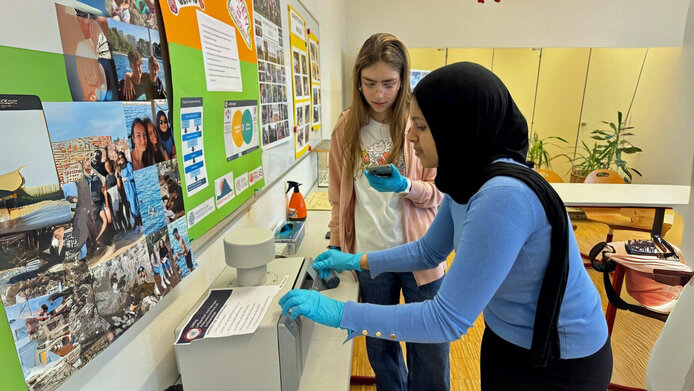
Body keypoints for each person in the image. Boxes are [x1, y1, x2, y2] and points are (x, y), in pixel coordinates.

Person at [279, 62, 613, 390]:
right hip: (509, 336)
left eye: (421, 126)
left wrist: (342, 313)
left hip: (558, 358)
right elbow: (429, 249)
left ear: (458, 128)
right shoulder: (469, 177)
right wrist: (357, 261)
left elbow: (445, 319)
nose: (410, 136)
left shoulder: (502, 196)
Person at [324, 33, 447, 391]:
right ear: (358, 81)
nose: (379, 94)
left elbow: (440, 194)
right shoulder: (346, 128)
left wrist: (406, 187)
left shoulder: (419, 125)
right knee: (381, 346)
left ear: (403, 80)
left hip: (419, 255)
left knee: (430, 347)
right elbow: (337, 198)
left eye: (389, 84)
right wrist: (336, 247)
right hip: (370, 257)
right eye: (370, 84)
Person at [117, 151, 142, 232]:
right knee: (131, 207)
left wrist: (126, 179)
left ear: (124, 156)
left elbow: (133, 175)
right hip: (126, 190)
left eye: (122, 157)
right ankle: (137, 223)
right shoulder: (120, 167)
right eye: (119, 158)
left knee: (135, 206)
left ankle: (139, 225)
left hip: (131, 188)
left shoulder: (128, 165)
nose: (121, 159)